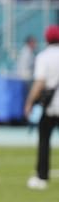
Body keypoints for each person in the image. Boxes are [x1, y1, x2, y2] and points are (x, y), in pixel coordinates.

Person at [24, 25, 59, 191]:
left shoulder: (44, 57)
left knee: (44, 140)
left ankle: (42, 176)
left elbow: (40, 83)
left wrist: (29, 102)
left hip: (51, 105)